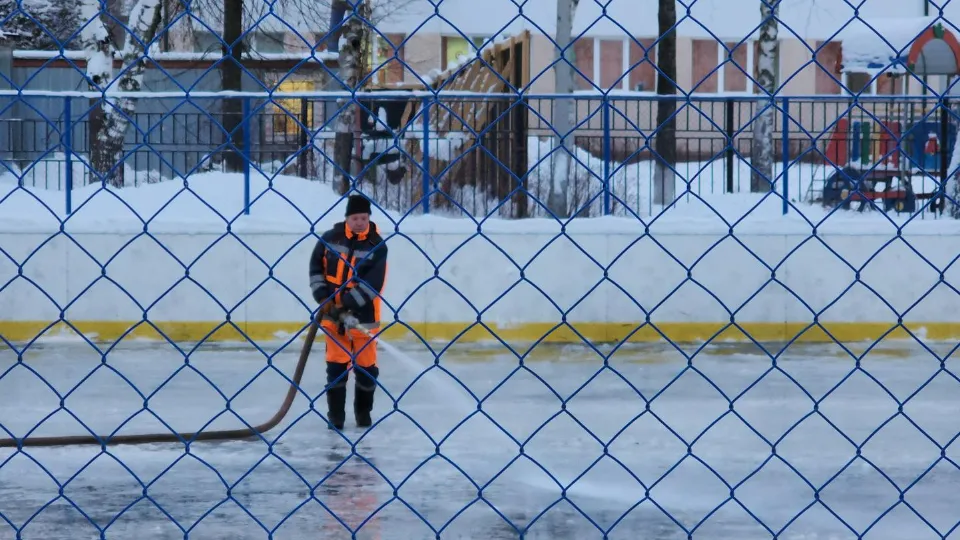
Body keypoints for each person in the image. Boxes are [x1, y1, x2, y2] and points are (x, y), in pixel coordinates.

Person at [309, 194, 388, 430]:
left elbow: (373, 284)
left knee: (366, 370)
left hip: (365, 319)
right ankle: (336, 416)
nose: (360, 222)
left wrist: (345, 303)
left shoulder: (377, 246)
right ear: (347, 218)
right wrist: (323, 299)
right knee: (336, 367)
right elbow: (316, 269)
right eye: (355, 218)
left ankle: (363, 414)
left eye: (364, 218)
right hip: (333, 318)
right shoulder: (329, 239)